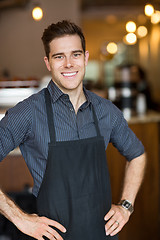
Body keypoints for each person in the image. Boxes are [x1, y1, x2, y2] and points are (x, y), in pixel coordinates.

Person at [0, 20, 146, 240]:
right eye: (59, 56)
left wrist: (126, 206)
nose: (69, 63)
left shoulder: (106, 111)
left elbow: (137, 155)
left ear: (85, 58)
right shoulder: (28, 113)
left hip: (102, 235)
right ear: (48, 62)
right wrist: (20, 218)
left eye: (75, 54)